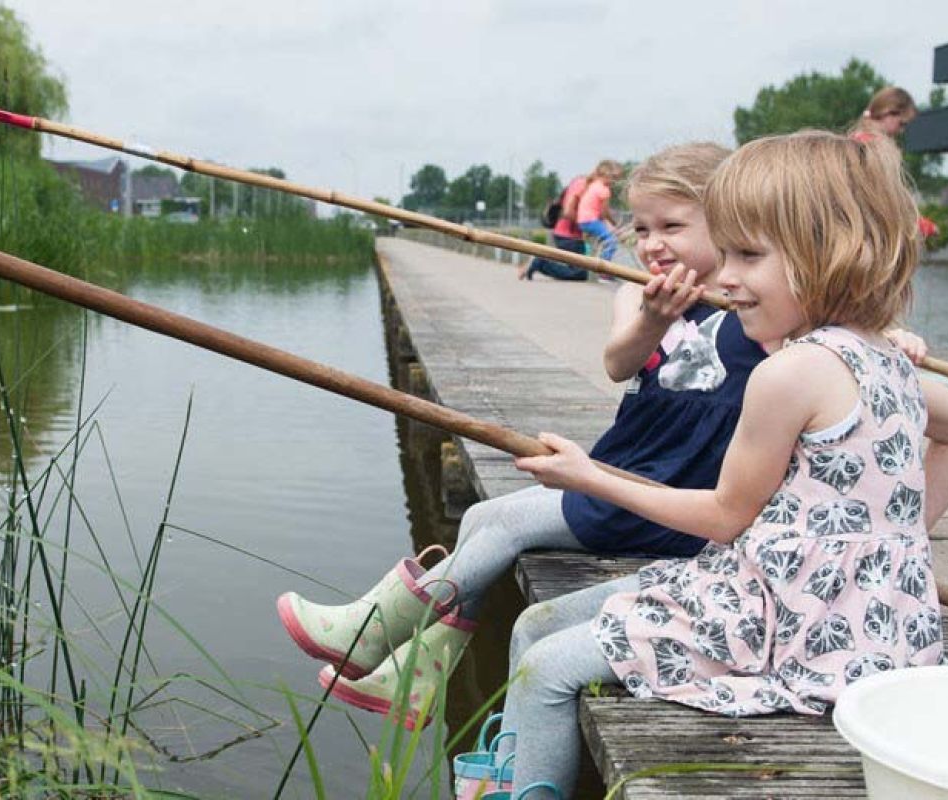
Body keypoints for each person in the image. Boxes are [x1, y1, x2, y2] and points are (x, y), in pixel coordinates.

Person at [490, 131, 948, 797]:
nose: (724, 278)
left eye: (748, 255)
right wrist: (884, 548)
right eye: (723, 252)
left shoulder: (789, 372)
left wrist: (589, 476)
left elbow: (726, 516)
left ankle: (514, 783)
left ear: (830, 253)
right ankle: (512, 769)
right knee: (534, 619)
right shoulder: (882, 353)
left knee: (547, 668)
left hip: (786, 630)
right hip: (868, 621)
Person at [276, 142, 766, 727]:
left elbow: (836, 327)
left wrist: (899, 339)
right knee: (484, 519)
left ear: (728, 224)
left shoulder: (755, 309)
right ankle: (415, 677)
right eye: (641, 227)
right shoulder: (635, 293)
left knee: (503, 523)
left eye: (673, 226)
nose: (653, 243)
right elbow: (617, 362)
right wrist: (655, 320)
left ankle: (373, 632)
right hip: (621, 474)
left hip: (670, 498)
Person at [850, 86, 939, 240]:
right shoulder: (877, 148)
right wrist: (920, 225)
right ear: (889, 113)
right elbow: (885, 200)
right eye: (902, 124)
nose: (902, 131)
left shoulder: (853, 140)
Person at [525, 174, 591, 281]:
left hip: (563, 233)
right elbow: (569, 212)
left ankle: (539, 262)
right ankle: (540, 263)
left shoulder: (572, 186)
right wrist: (585, 224)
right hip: (570, 236)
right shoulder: (581, 186)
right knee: (580, 273)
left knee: (578, 269)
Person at [575, 160, 624, 267]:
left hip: (582, 221)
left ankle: (591, 266)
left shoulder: (593, 184)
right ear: (608, 176)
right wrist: (614, 223)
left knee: (598, 242)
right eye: (615, 179)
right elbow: (604, 212)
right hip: (590, 220)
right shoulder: (604, 190)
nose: (615, 182)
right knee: (611, 242)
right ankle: (604, 271)